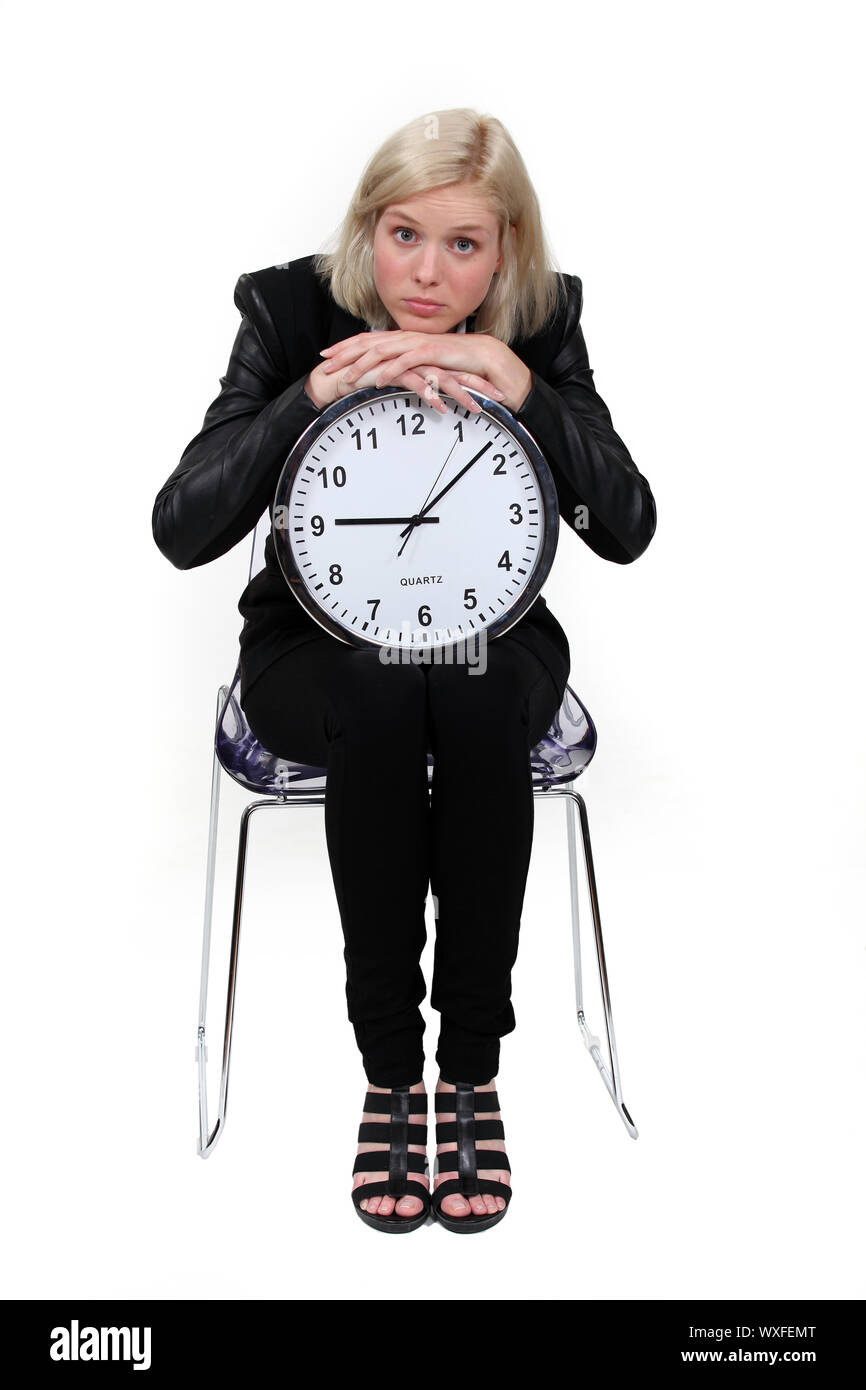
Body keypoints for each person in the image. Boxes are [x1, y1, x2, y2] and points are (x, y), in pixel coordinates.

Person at [152, 107, 656, 1234]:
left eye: (465, 245)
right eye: (403, 234)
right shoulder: (287, 309)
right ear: (364, 226)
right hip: (310, 648)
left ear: (508, 251)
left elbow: (622, 524)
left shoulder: (540, 321)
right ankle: (391, 1073)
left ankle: (469, 1069)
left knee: (467, 688)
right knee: (384, 690)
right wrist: (308, 399)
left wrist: (516, 381)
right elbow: (182, 527)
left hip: (494, 638)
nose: (427, 274)